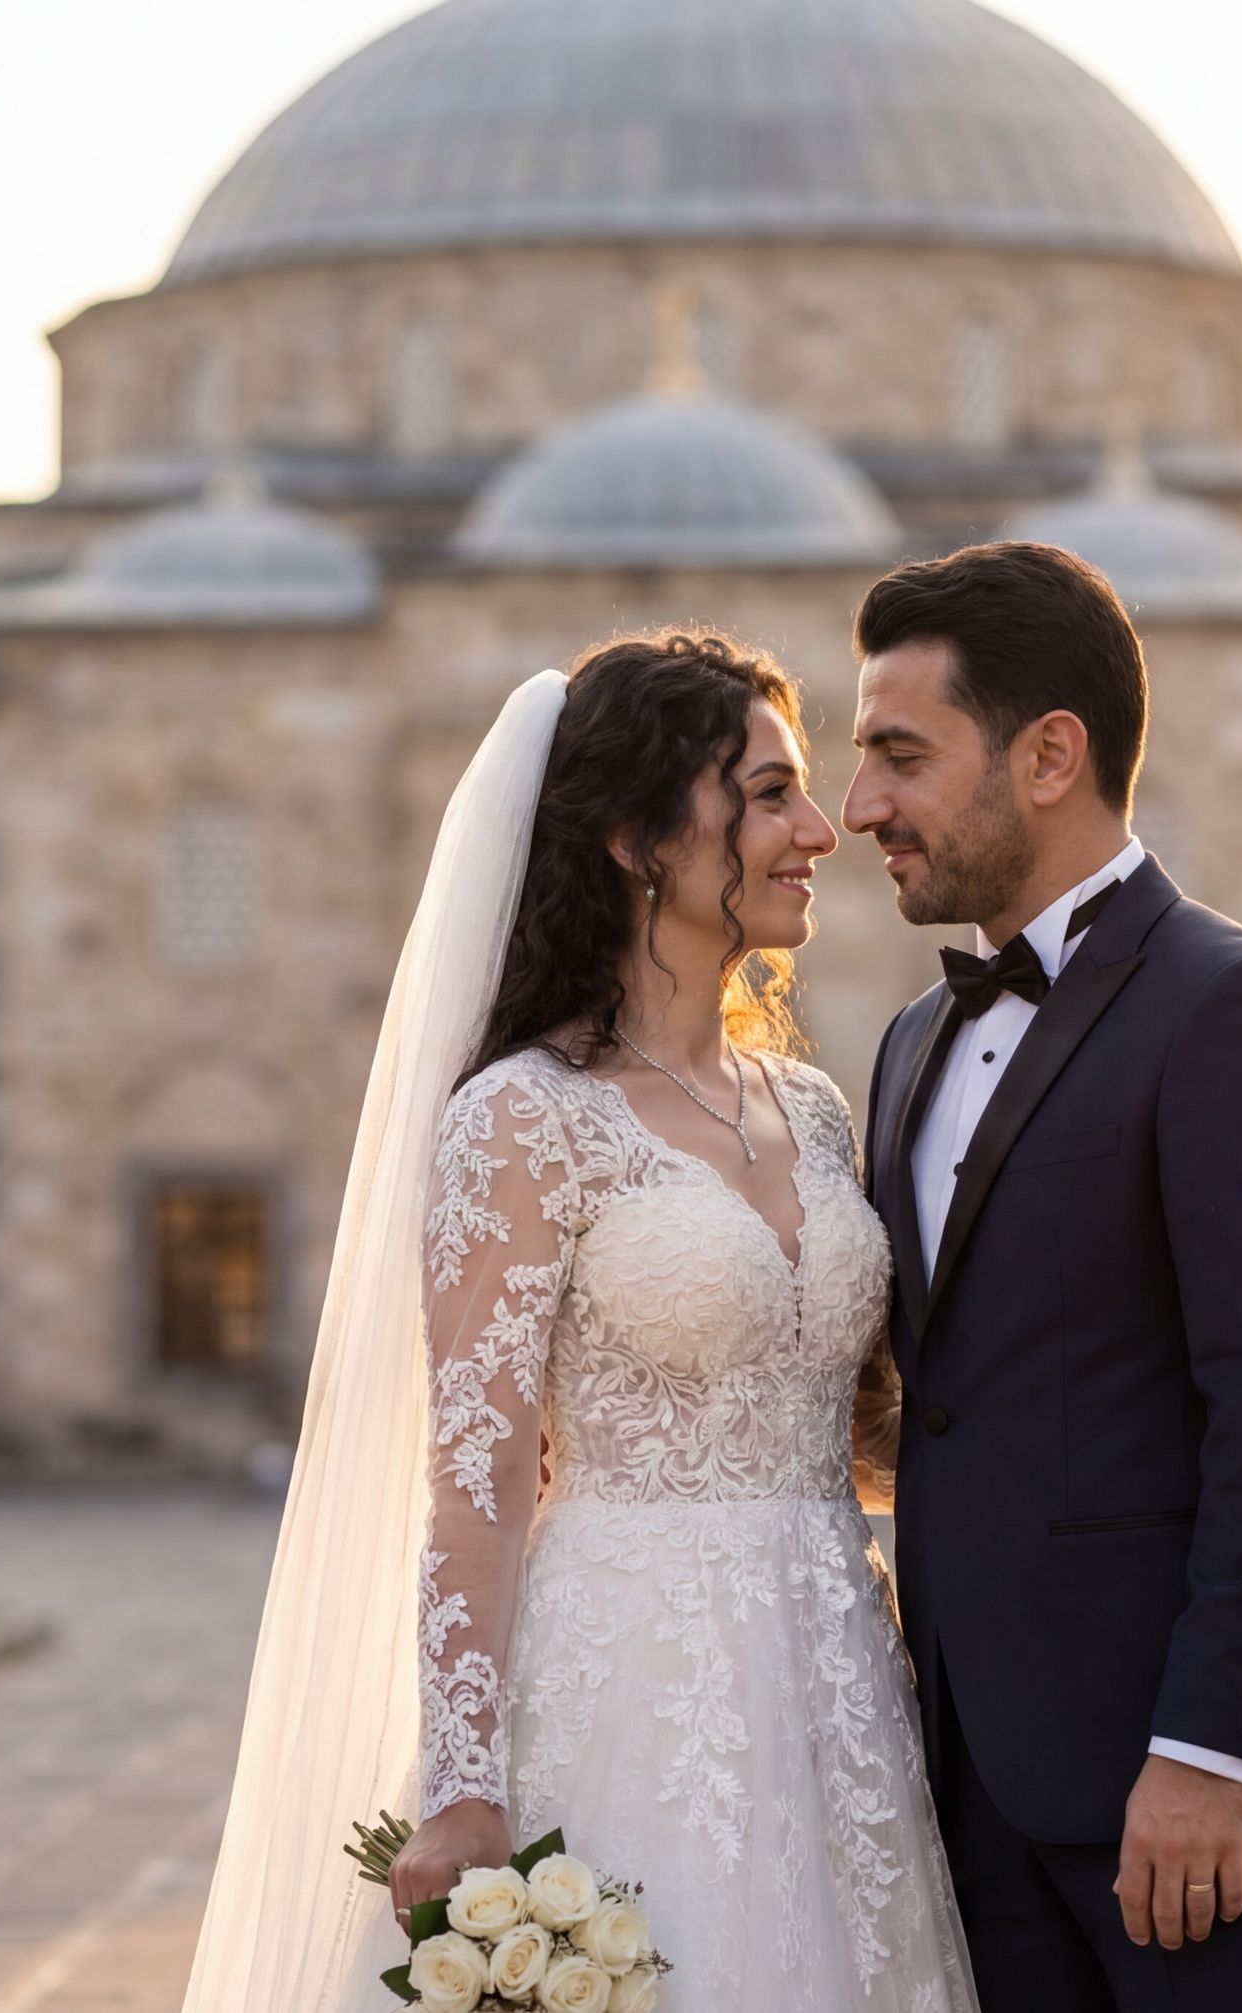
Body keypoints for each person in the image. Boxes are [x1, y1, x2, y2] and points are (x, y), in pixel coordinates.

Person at [177, 632, 977, 2013]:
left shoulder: (820, 1112)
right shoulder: (523, 1119)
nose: (819, 830)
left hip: (838, 1690)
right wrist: (466, 1782)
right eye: (771, 792)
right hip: (631, 1686)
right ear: (633, 836)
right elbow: (476, 1480)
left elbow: (863, 1420)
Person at [843, 542, 1242, 2012]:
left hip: (1198, 1803)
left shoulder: (1236, 1007)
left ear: (1048, 756)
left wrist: (1215, 1749)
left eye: (901, 756)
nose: (861, 810)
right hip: (977, 1798)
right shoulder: (910, 1047)